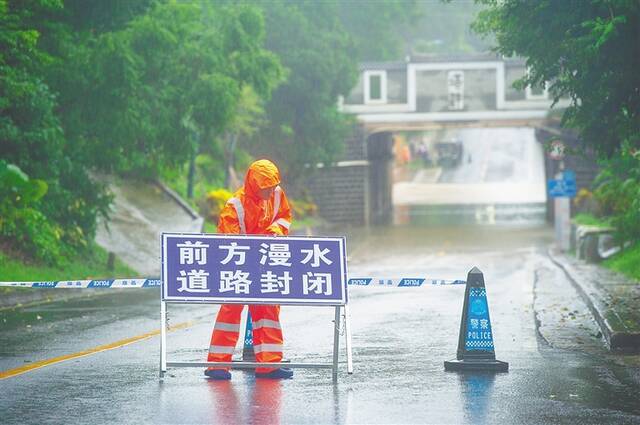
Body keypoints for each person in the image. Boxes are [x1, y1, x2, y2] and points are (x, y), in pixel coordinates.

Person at [205, 159, 294, 380]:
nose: (270, 191)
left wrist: (274, 231)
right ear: (254, 185)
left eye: (273, 186)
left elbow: (284, 217)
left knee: (268, 313)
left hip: (265, 265)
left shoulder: (276, 194)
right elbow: (227, 239)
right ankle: (217, 365)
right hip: (239, 268)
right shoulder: (235, 205)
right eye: (266, 188)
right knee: (230, 312)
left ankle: (269, 365)